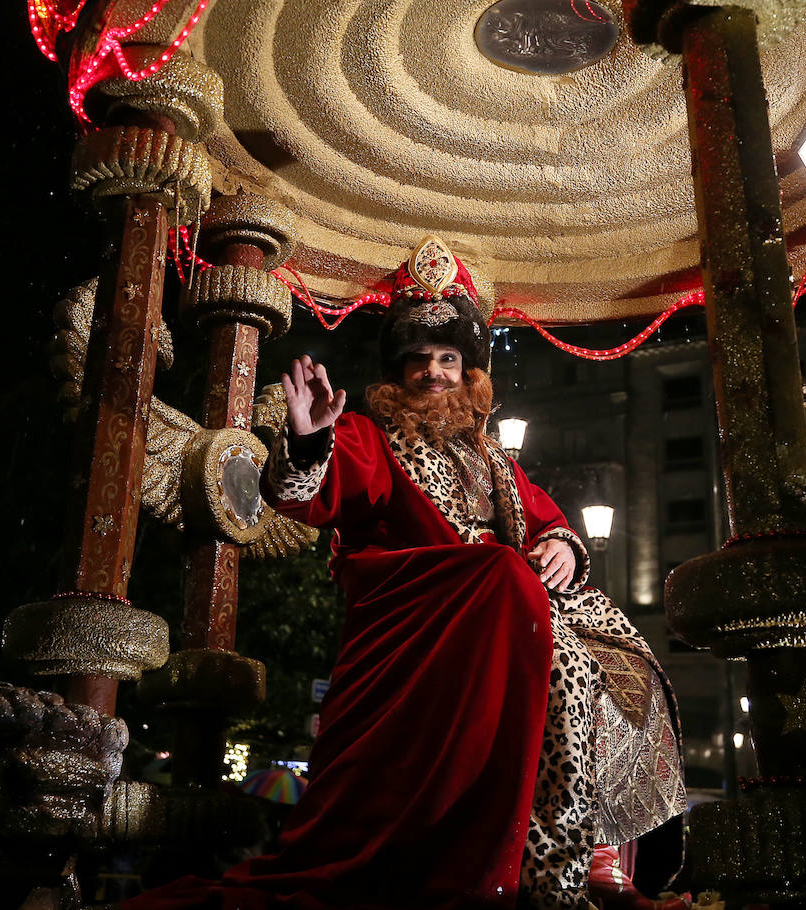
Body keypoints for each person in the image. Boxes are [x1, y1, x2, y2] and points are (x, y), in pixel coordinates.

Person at [126, 237, 684, 910]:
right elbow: (315, 490)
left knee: (624, 663)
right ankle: (547, 878)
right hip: (431, 623)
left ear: (470, 371)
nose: (433, 374)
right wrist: (308, 443)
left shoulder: (493, 460)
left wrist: (563, 544)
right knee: (532, 615)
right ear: (398, 371)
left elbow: (543, 519)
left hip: (513, 607)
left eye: (448, 359)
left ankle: (599, 860)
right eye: (418, 360)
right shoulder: (370, 437)